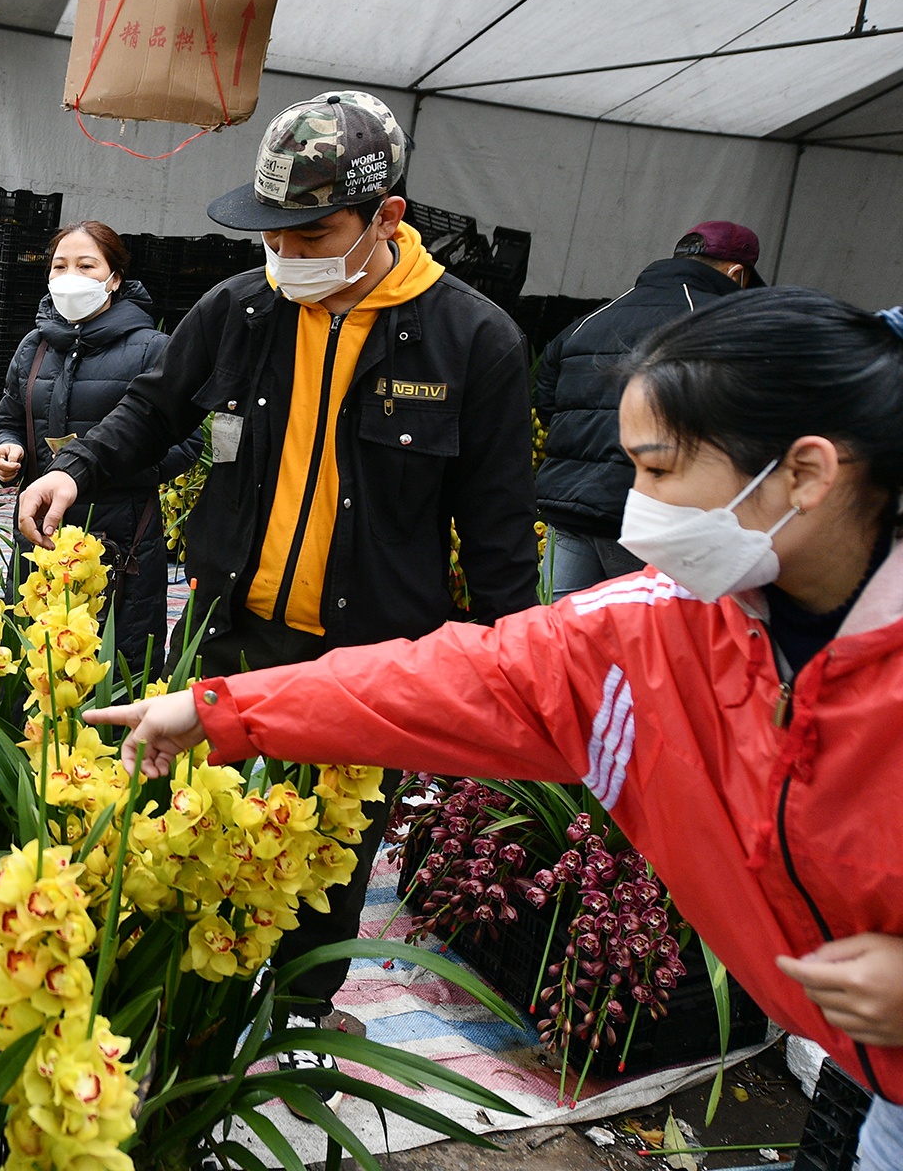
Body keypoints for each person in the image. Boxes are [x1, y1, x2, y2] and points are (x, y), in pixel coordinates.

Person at [91, 288, 903, 1163]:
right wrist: (222, 710)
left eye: (661, 470)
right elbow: (452, 680)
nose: (636, 504)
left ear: (806, 474)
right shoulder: (663, 628)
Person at [16, 89, 540, 1092]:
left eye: (313, 233)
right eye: (273, 233)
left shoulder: (471, 342)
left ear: (388, 217)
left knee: (325, 866)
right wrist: (76, 467)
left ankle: (292, 1035)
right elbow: (154, 405)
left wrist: (509, 684)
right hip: (231, 634)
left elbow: (501, 535)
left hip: (367, 665)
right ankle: (184, 1021)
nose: (287, 253)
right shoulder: (242, 309)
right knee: (197, 828)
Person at [0, 220, 203, 672]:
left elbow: (187, 442)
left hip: (121, 538)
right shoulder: (33, 347)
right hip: (38, 533)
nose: (71, 276)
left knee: (115, 669)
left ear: (114, 279)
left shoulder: (152, 349)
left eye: (87, 266)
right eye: (60, 266)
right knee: (34, 667)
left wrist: (101, 467)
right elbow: (8, 418)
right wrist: (8, 451)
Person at [536, 220, 762, 600]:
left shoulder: (594, 318)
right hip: (651, 519)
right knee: (644, 647)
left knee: (555, 640)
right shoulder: (721, 323)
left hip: (568, 509)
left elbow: (547, 401)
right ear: (737, 274)